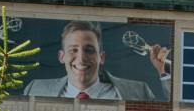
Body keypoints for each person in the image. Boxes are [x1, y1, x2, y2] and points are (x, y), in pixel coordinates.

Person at [23, 20, 165, 100]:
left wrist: (164, 71)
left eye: (89, 50)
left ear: (101, 57)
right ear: (62, 57)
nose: (81, 58)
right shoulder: (35, 90)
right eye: (73, 50)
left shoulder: (139, 92)